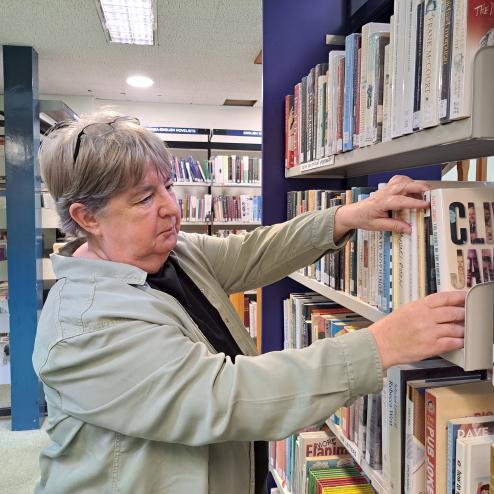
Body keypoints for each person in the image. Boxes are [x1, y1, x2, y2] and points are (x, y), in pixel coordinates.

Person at [33, 113, 465, 494]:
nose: (170, 207)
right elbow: (223, 396)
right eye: (144, 199)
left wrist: (346, 216)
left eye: (167, 186)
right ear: (86, 218)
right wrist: (379, 345)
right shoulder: (86, 325)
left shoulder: (173, 253)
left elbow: (253, 251)